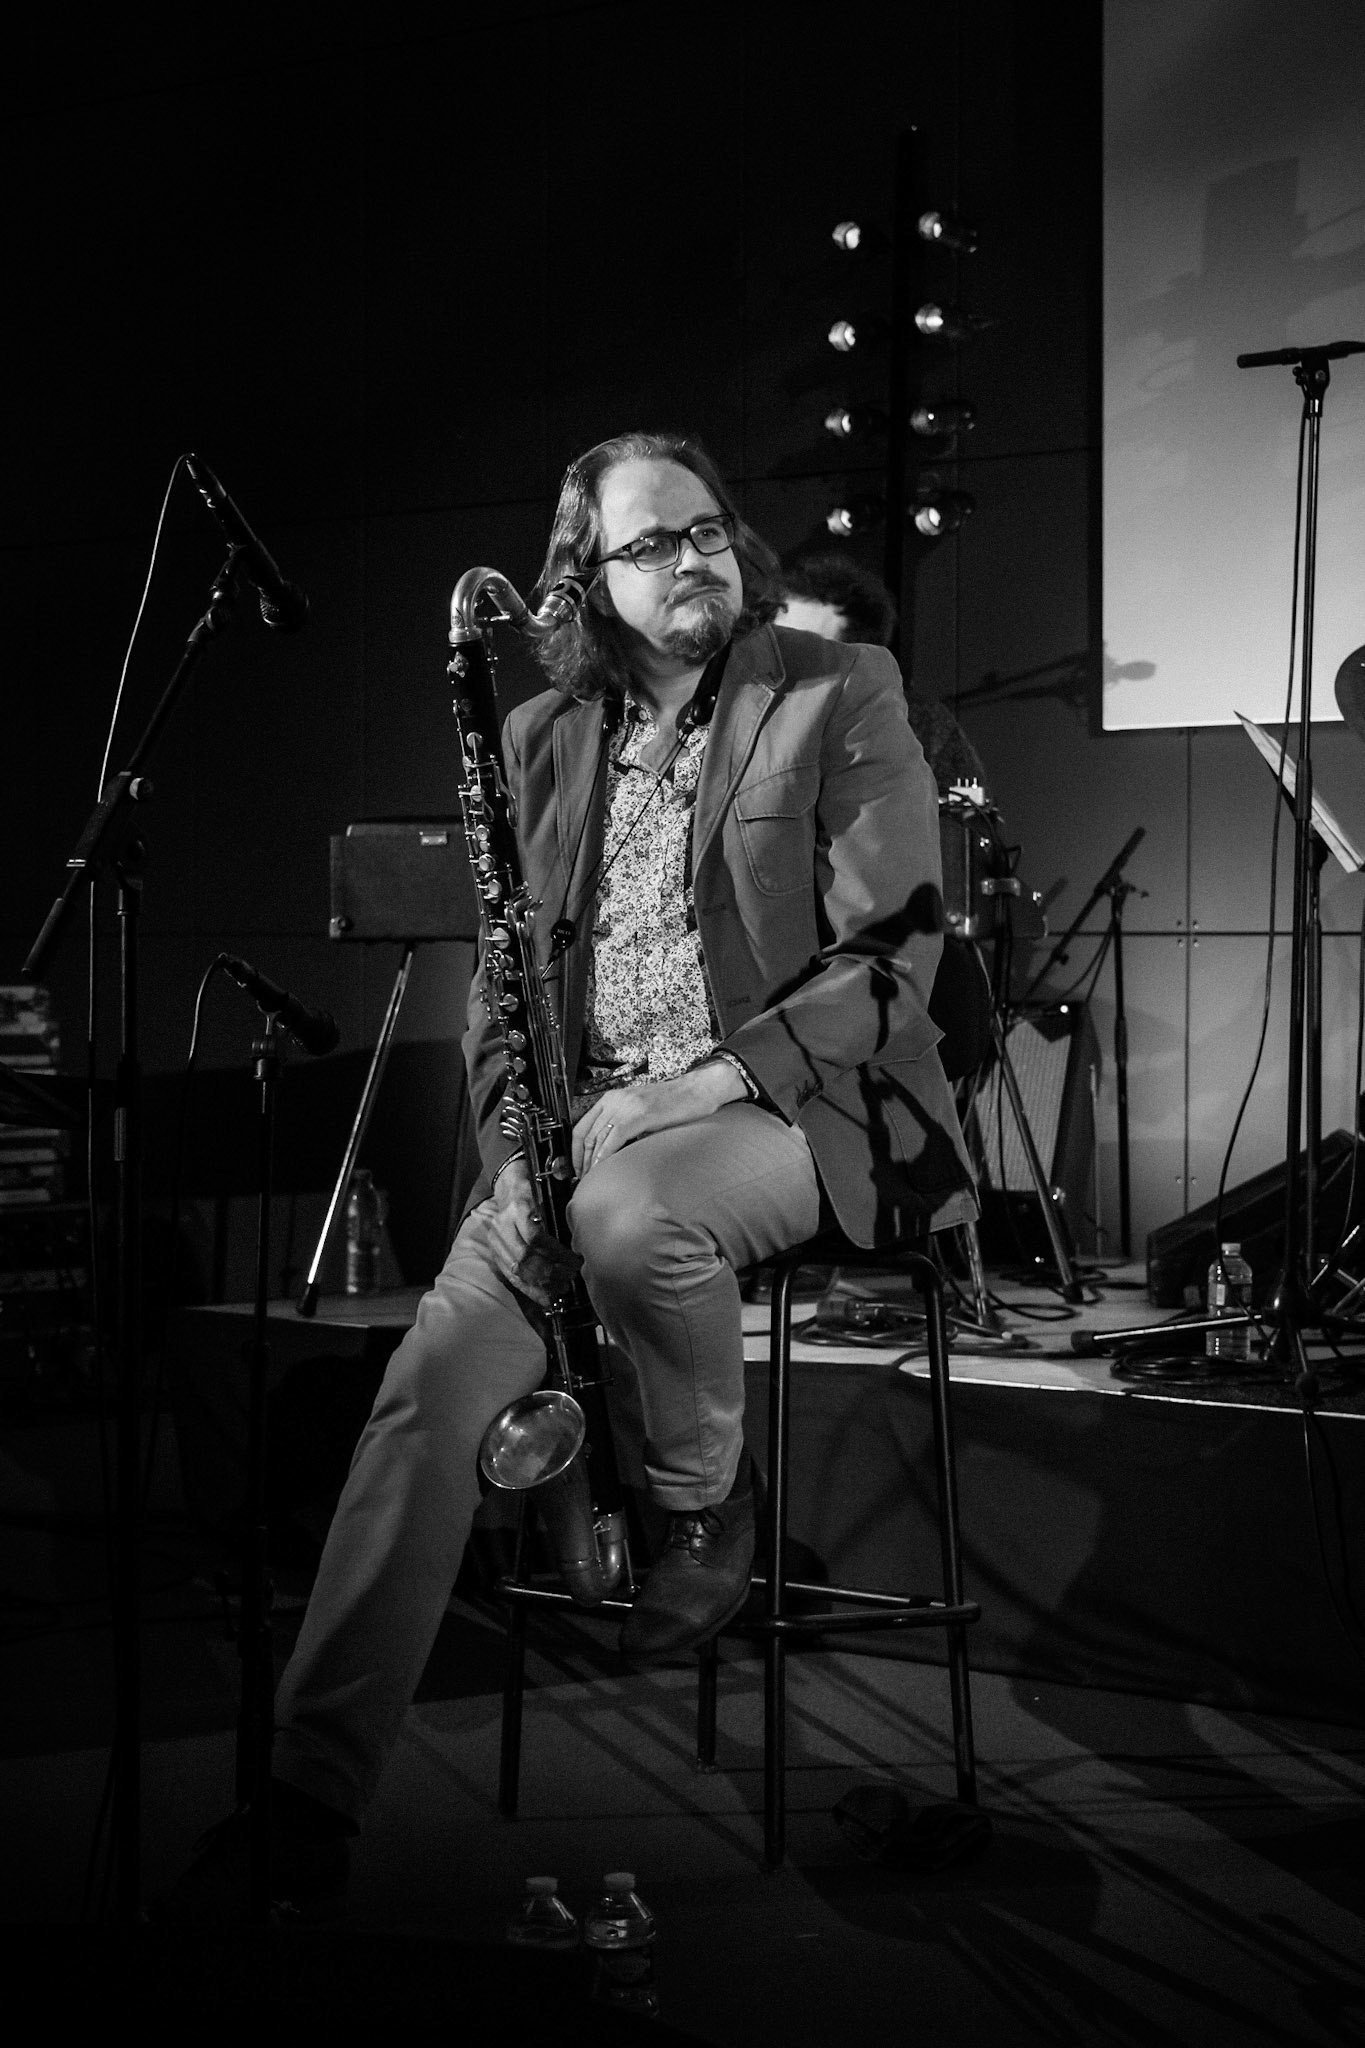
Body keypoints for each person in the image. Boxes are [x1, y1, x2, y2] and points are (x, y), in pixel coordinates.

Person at [170, 430, 977, 1919]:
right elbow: (502, 993)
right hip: (586, 1140)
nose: (695, 557)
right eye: (653, 542)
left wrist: (697, 1083)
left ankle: (700, 1499)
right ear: (585, 580)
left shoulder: (834, 689)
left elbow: (898, 956)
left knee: (628, 1215)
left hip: (796, 1108)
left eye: (709, 530)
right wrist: (514, 1161)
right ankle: (306, 1799)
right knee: (424, 1399)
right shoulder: (543, 733)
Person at [776, 551, 988, 797]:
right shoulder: (749, 711)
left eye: (805, 651)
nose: (785, 662)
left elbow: (965, 814)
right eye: (777, 643)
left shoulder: (920, 724)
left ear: (860, 663)